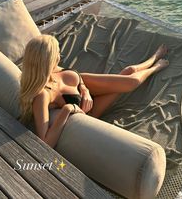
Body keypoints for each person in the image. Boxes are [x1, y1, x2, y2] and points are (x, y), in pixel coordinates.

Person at [20, 34, 168, 148]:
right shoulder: (42, 95)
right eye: (56, 54)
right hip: (91, 111)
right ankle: (156, 67)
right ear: (47, 61)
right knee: (132, 80)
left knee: (129, 71)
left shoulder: (51, 70)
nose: (59, 56)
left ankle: (155, 57)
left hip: (85, 90)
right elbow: (45, 141)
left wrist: (84, 89)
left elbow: (76, 75)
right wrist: (68, 109)